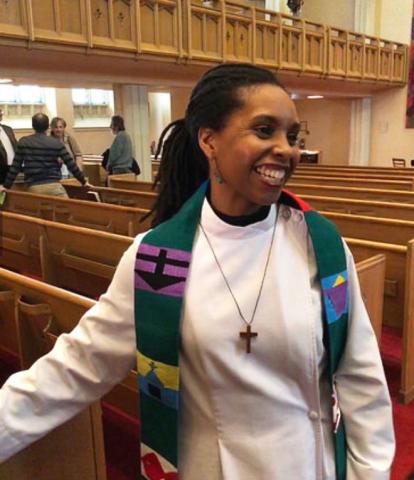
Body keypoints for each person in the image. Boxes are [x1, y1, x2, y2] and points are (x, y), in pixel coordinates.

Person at [0, 64, 394, 479]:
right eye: (264, 130)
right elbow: (77, 367)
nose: (286, 149)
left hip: (309, 465)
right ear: (209, 140)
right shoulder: (158, 261)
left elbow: (360, 377)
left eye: (291, 136)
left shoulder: (324, 249)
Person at [0, 113, 90, 197]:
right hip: (54, 186)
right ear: (48, 126)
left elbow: (15, 167)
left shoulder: (24, 142)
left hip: (34, 188)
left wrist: (6, 186)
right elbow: (71, 164)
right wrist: (83, 181)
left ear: (33, 126)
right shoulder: (56, 143)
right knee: (66, 211)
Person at [0, 108, 17, 185]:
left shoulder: (8, 129)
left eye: (1, 111)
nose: (1, 113)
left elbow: (16, 147)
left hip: (13, 169)